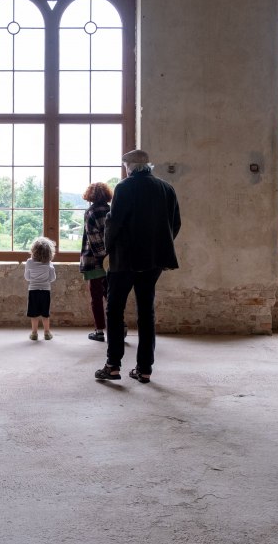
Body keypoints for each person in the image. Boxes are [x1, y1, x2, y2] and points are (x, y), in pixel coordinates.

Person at [94, 149, 180, 383]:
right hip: (154, 261)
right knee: (146, 311)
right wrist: (158, 246)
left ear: (129, 166)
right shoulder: (166, 188)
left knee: (114, 310)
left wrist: (108, 250)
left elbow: (114, 222)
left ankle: (113, 366)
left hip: (125, 259)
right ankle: (144, 369)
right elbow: (175, 224)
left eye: (125, 166)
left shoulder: (125, 187)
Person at [79, 182, 113, 342]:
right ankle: (120, 326)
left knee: (96, 297)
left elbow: (93, 238)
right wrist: (109, 257)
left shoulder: (90, 212)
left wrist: (102, 257)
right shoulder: (112, 210)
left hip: (94, 261)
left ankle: (99, 331)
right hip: (112, 260)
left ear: (90, 196)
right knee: (112, 295)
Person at [24, 236, 57, 340]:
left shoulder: (29, 262)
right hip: (45, 291)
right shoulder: (49, 263)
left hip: (33, 291)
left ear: (34, 250)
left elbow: (27, 277)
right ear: (49, 252)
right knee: (45, 314)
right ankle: (47, 333)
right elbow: (52, 278)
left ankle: (34, 333)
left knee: (34, 314)